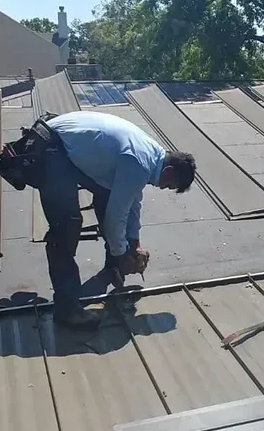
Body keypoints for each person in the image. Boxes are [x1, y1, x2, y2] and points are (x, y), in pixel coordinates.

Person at [38, 111, 196, 330]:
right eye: (167, 185)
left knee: (107, 194)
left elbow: (132, 200)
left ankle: (113, 268)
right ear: (168, 171)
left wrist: (134, 243)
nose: (161, 188)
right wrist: (122, 253)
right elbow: (116, 216)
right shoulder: (139, 161)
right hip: (51, 150)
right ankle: (67, 311)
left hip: (65, 146)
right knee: (65, 228)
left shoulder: (151, 155)